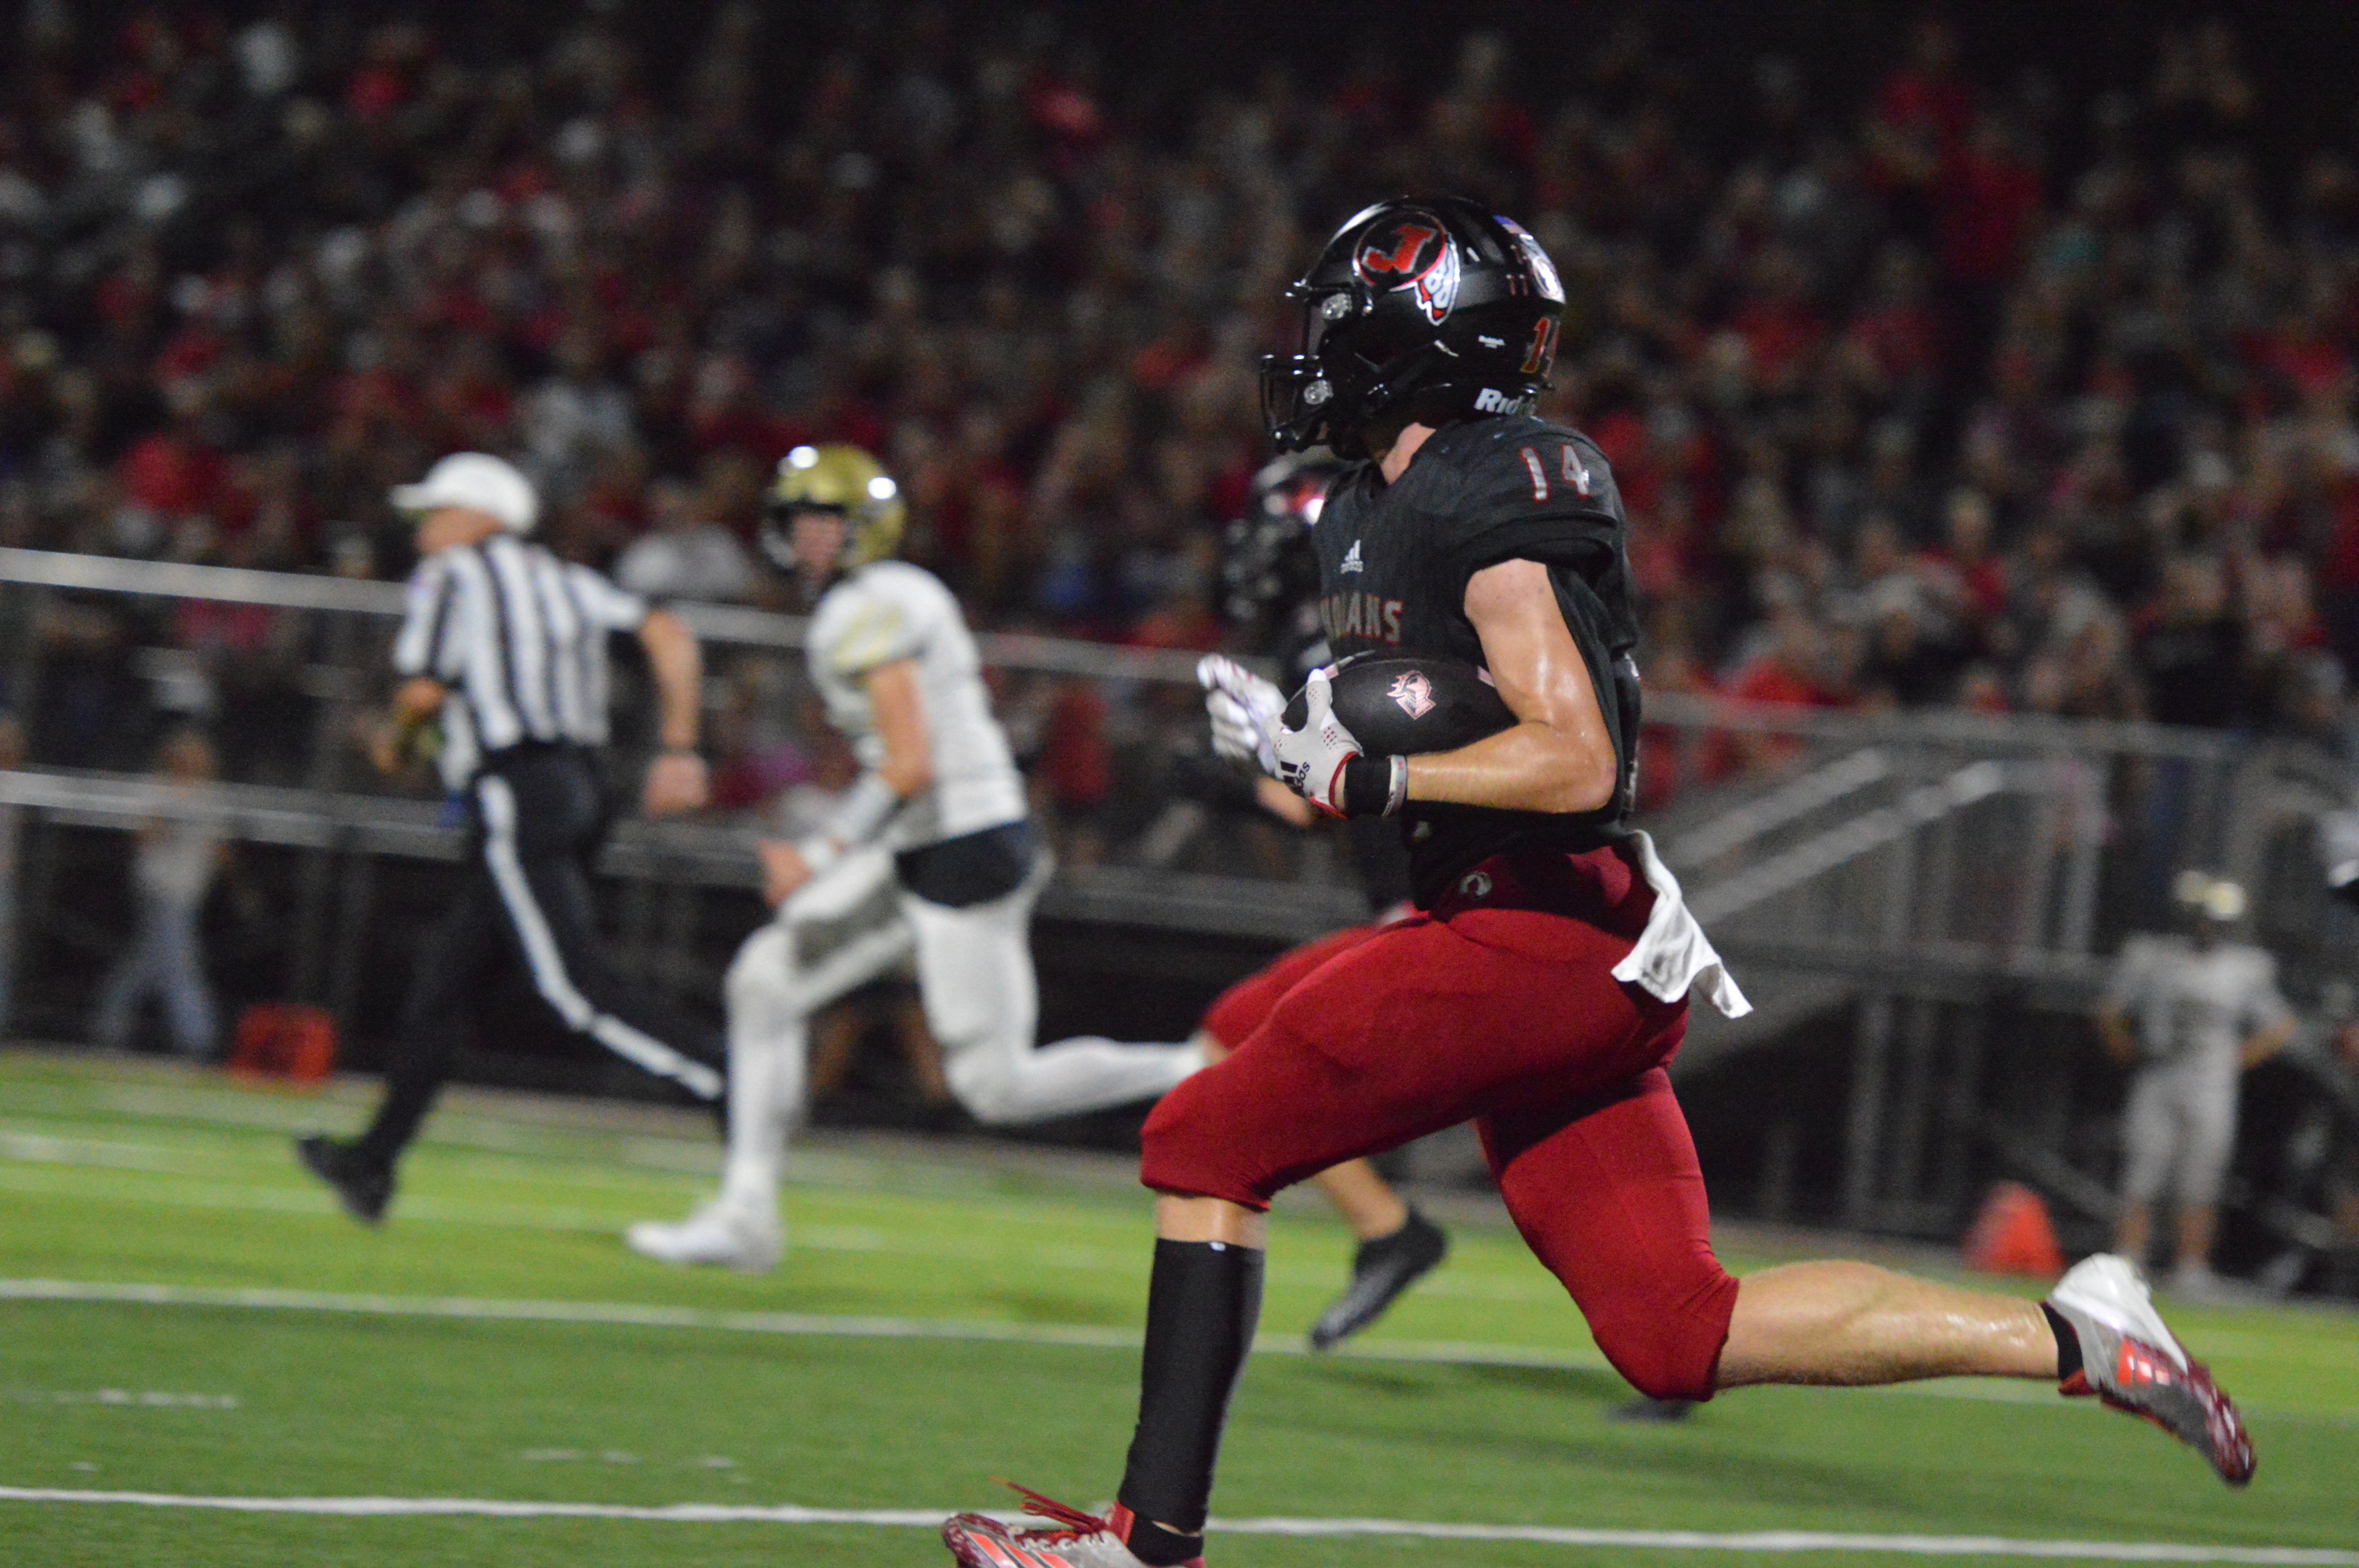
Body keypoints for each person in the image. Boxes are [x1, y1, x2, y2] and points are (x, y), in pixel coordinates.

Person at [944, 197, 2252, 1568]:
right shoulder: (1380, 499)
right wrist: (1288, 746)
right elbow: (1421, 725)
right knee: (1674, 1329)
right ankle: (2080, 1333)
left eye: (1338, 322)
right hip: (1551, 936)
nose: (1314, 351)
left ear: (1414, 335)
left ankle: (1146, 1549)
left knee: (1204, 1138)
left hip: (1540, 933)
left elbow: (1578, 759)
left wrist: (1372, 775)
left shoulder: (1489, 479)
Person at [624, 445, 1206, 1271]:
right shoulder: (883, 599)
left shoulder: (873, 604)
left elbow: (907, 763)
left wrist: (816, 854)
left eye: (824, 521)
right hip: (929, 843)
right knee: (765, 982)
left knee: (994, 1088)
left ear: (865, 528)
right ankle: (747, 1211)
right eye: (799, 520)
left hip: (962, 848)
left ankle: (1197, 1066)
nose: (806, 537)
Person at [1078, 450, 1452, 1352]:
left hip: (1452, 915)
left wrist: (1229, 785)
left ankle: (1394, 1231)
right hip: (1428, 910)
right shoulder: (1359, 619)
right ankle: (1390, 1230)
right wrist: (1238, 787)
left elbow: (1332, 784)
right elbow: (1330, 790)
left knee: (1237, 1037)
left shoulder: (1349, 627)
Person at [296, 452, 721, 1223]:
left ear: (479, 515)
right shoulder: (564, 579)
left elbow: (423, 690)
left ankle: (720, 1074)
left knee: (571, 988)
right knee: (443, 990)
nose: (425, 529)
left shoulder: (453, 576)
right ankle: (373, 1160)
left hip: (518, 789)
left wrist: (394, 740)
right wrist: (680, 745)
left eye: (438, 511)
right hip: (583, 788)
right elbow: (669, 636)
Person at [2098, 870, 2294, 1296]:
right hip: (2160, 1074)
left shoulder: (2244, 968)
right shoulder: (2153, 956)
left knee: (2201, 1177)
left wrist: (2237, 1058)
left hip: (2210, 1083)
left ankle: (2191, 1265)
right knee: (2142, 1170)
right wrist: (2124, 1046)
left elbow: (2280, 1024)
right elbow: (2111, 1008)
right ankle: (2128, 1259)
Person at [89, 727, 225, 1059]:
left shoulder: (213, 797)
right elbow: (142, 836)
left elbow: (219, 849)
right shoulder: (156, 789)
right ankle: (198, 1037)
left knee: (145, 960)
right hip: (159, 886)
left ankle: (108, 1025)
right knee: (179, 963)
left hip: (189, 888)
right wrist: (167, 815)